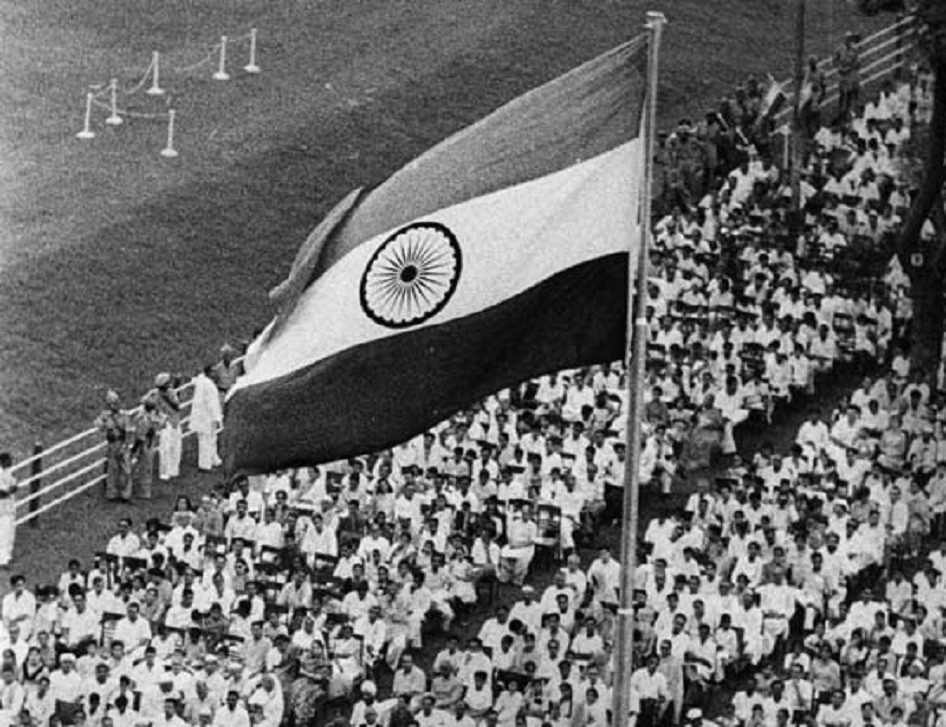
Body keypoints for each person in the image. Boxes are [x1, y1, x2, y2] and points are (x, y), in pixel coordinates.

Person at [94, 390, 131, 502]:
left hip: (122, 443)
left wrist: (126, 445)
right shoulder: (106, 415)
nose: (115, 405)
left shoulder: (124, 415)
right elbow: (97, 424)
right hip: (112, 444)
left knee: (126, 470)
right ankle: (112, 494)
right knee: (112, 469)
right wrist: (103, 421)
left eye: (116, 402)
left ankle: (125, 494)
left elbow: (128, 431)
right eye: (112, 403)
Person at [190, 365, 223, 471]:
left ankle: (213, 459)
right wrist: (217, 417)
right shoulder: (207, 384)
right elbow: (211, 404)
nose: (215, 373)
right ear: (209, 372)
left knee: (212, 438)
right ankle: (204, 465)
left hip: (208, 417)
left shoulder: (204, 381)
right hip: (205, 417)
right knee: (205, 441)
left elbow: (194, 380)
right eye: (213, 371)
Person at [131, 395, 162, 500]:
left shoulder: (144, 419)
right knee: (146, 467)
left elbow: (140, 437)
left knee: (145, 467)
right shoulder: (152, 417)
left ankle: (144, 492)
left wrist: (134, 449)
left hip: (145, 444)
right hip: (150, 443)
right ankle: (143, 489)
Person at [152, 373, 182, 482]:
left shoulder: (171, 392)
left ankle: (174, 470)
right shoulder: (156, 395)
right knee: (165, 448)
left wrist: (177, 384)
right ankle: (165, 472)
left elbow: (177, 404)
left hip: (175, 421)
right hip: (165, 423)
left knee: (176, 446)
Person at [0, 454, 17, 567]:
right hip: (2, 509)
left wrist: (10, 490)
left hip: (9, 507)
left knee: (10, 533)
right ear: (3, 461)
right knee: (4, 534)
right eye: (9, 460)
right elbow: (2, 493)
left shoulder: (8, 472)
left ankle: (8, 556)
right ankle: (2, 560)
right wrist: (9, 491)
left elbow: (14, 486)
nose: (11, 462)